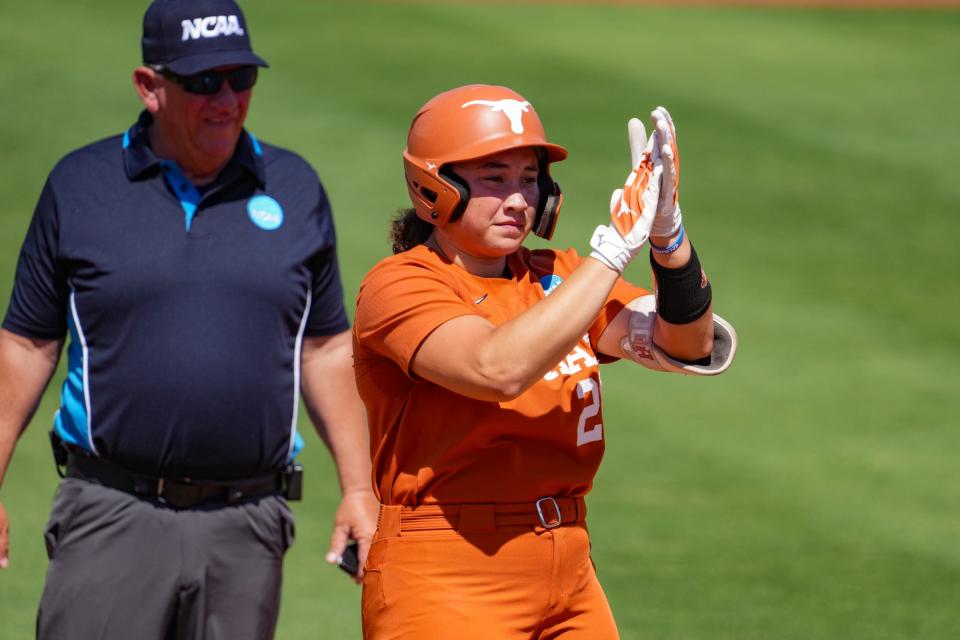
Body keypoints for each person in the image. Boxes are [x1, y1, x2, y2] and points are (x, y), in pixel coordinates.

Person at [0, 0, 377, 638]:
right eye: (204, 82)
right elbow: (28, 346)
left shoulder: (292, 186)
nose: (227, 99)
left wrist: (359, 489)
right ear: (151, 88)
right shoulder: (80, 186)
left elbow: (323, 348)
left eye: (241, 78)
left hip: (248, 523)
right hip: (110, 514)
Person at [352, 84, 737, 639]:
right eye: (494, 177)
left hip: (569, 565)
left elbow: (687, 345)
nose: (517, 199)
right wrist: (611, 254)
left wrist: (667, 237)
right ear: (434, 186)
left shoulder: (560, 274)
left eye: (529, 179)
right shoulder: (402, 285)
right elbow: (495, 369)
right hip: (448, 566)